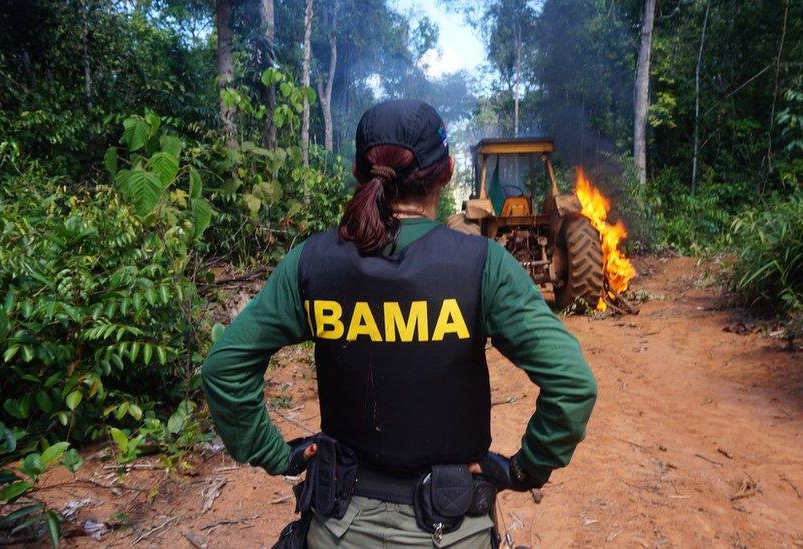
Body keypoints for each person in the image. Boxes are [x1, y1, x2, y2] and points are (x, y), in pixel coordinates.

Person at [202, 99, 597, 548]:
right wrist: (523, 469)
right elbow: (572, 383)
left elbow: (225, 368)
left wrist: (277, 455)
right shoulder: (482, 265)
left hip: (337, 528)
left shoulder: (311, 262)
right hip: (450, 531)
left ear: (359, 171)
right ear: (446, 171)